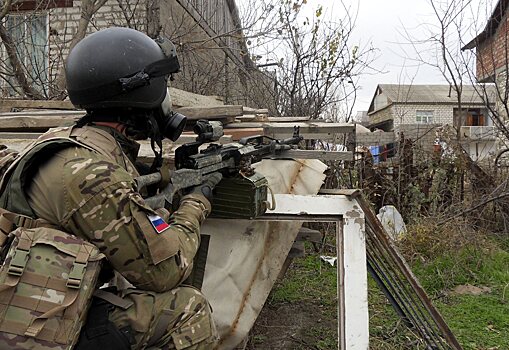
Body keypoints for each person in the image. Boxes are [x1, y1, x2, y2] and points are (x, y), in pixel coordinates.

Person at [0, 27, 219, 349]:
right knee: (187, 307)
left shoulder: (64, 141)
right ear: (141, 95)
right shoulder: (91, 176)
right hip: (26, 329)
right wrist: (197, 201)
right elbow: (167, 271)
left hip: (22, 297)